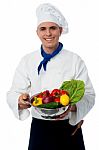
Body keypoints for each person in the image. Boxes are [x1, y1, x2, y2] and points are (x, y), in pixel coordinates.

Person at [7, 3, 95, 150]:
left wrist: (72, 107)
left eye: (52, 28)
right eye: (43, 29)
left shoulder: (75, 60)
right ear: (37, 32)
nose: (48, 34)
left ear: (60, 30)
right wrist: (20, 100)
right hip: (39, 129)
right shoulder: (27, 60)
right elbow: (13, 92)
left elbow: (89, 95)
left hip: (69, 128)